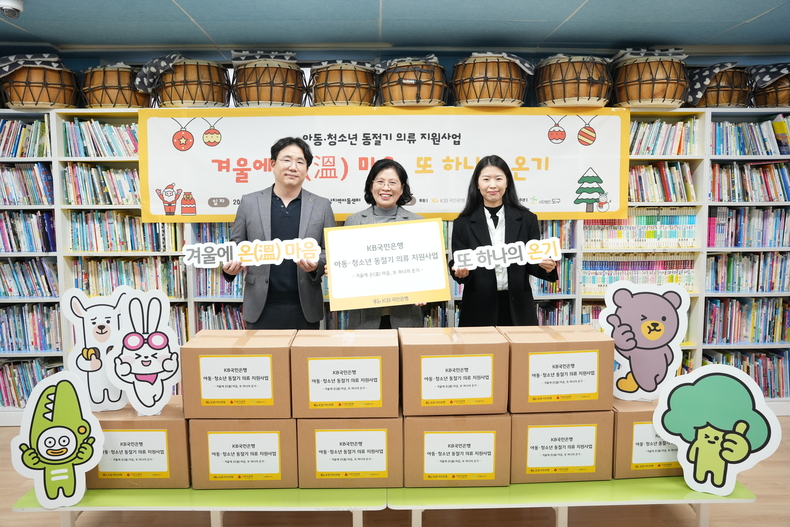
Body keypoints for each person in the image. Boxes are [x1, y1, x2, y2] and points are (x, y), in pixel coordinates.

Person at [222, 137, 336, 329]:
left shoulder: (321, 205)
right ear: (273, 164)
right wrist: (229, 268)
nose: (293, 167)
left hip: (305, 307)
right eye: (287, 160)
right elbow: (236, 247)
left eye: (300, 162)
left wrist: (316, 265)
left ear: (307, 169)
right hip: (261, 306)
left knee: (305, 350)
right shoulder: (249, 203)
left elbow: (329, 251)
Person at [449, 155, 558, 327]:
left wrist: (548, 267)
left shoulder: (527, 219)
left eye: (498, 178)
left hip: (518, 307)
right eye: (486, 179)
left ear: (507, 182)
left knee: (521, 346)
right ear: (477, 184)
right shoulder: (462, 223)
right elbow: (459, 262)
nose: (493, 185)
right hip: (478, 308)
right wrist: (459, 273)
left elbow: (532, 262)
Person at [343, 158, 424, 329]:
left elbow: (425, 269)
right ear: (371, 186)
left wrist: (426, 289)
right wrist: (338, 272)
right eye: (380, 182)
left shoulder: (418, 223)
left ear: (402, 188)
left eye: (392, 183)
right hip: (364, 318)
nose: (386, 188)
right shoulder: (353, 222)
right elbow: (347, 269)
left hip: (405, 316)